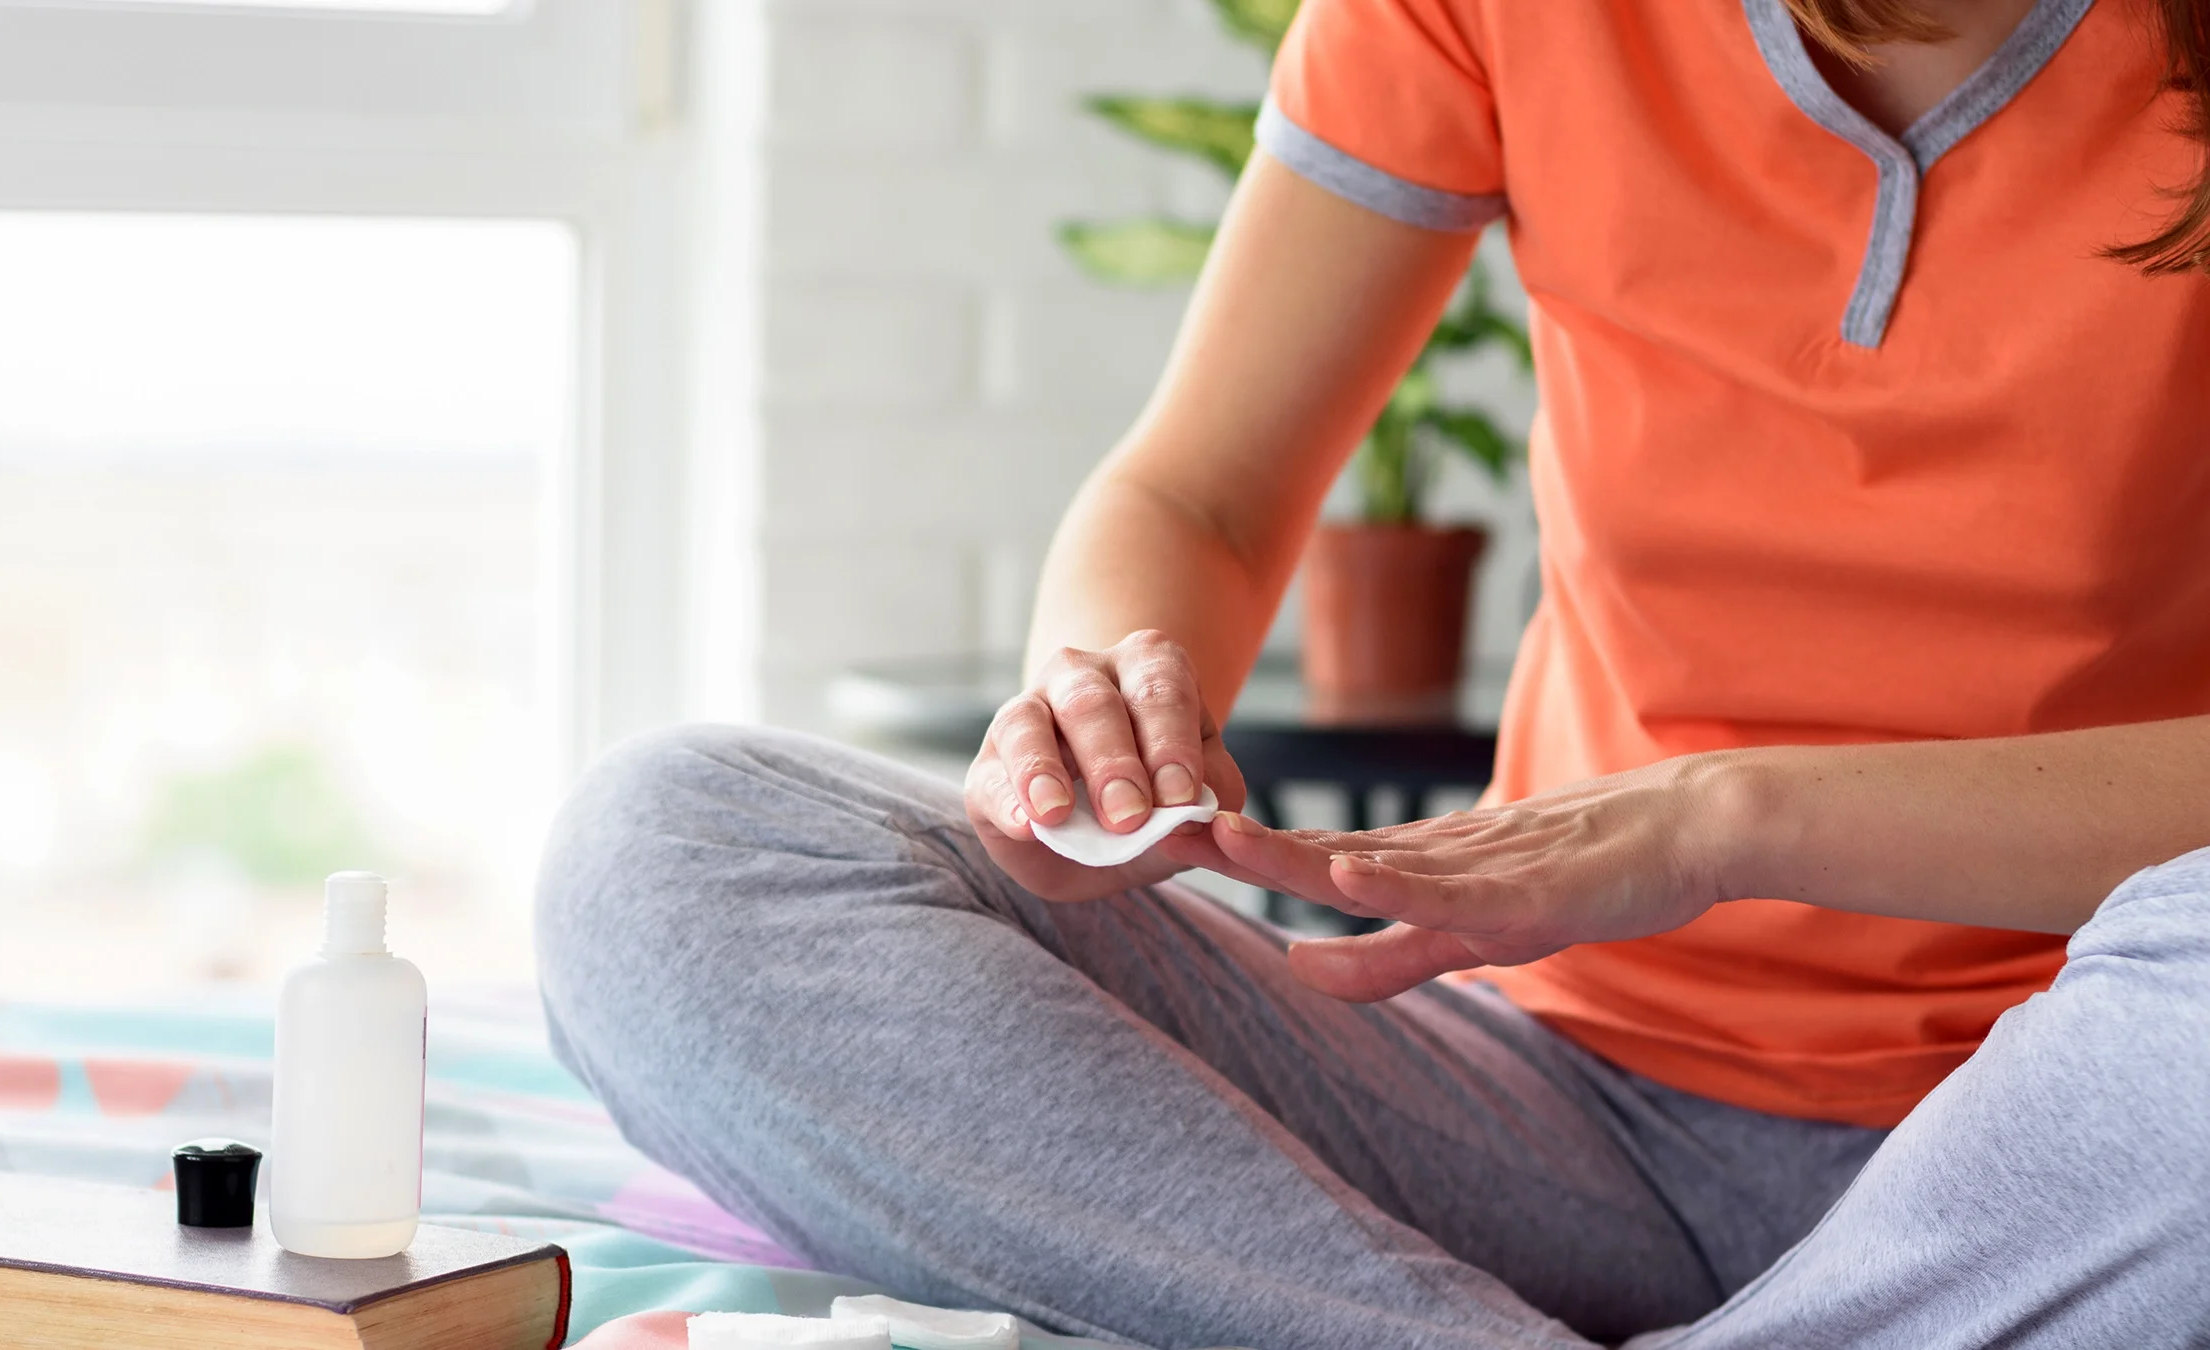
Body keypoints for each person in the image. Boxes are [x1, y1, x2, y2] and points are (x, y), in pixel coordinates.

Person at [536, 0, 2210, 1343]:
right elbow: (1201, 493)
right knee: (665, 848)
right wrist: (1105, 702)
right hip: (1558, 1112)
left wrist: (1719, 818)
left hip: (2093, 1126)